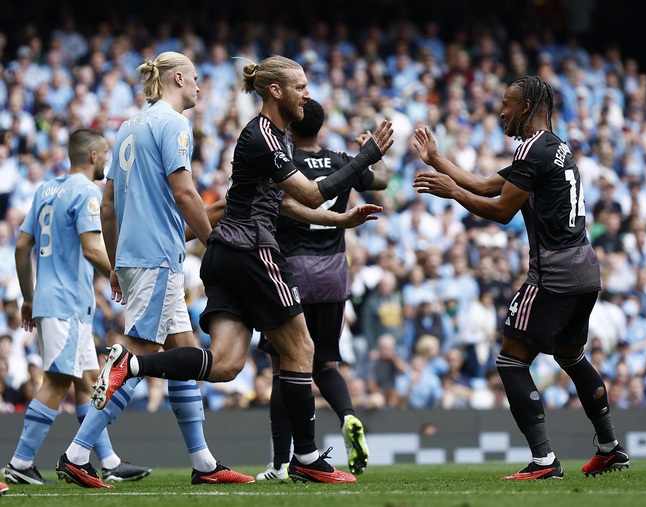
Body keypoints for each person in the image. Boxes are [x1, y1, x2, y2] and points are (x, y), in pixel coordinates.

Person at [93, 55, 393, 484]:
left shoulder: (275, 137)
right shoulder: (264, 135)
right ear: (277, 91)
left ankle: (132, 364)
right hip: (252, 250)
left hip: (227, 255)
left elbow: (286, 203)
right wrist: (368, 154)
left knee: (227, 364)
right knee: (301, 349)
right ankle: (306, 458)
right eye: (302, 87)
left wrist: (340, 220)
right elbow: (308, 195)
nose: (308, 95)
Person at [412, 75, 629, 480]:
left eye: (507, 104)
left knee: (511, 358)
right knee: (570, 355)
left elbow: (500, 209)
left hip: (555, 271)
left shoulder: (531, 148)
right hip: (585, 267)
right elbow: (489, 183)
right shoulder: (555, 147)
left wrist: (451, 192)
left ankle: (544, 461)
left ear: (526, 106)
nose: (501, 111)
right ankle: (609, 447)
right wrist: (437, 161)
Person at [56, 52, 254, 488]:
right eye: (197, 79)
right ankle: (77, 453)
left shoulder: (127, 127)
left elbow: (108, 207)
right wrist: (214, 243)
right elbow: (184, 193)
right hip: (158, 256)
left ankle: (203, 464)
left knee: (183, 355)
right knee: (136, 356)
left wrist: (113, 264)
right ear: (178, 77)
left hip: (134, 256)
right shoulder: (173, 124)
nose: (201, 87)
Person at [4, 129, 151, 486]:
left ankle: (109, 461)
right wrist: (118, 277)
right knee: (56, 381)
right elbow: (90, 248)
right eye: (106, 155)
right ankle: (20, 462)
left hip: (57, 302)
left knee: (87, 382)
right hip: (67, 304)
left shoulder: (45, 190)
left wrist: (28, 295)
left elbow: (22, 247)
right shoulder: (86, 191)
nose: (107, 162)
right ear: (94, 156)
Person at [254, 98, 389, 481]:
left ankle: (280, 463)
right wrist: (371, 154)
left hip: (291, 272)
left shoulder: (282, 160)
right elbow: (380, 180)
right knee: (325, 362)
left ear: (291, 124)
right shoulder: (343, 160)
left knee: (283, 368)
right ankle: (347, 416)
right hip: (333, 273)